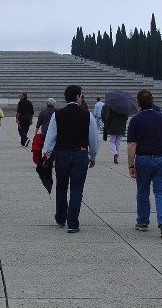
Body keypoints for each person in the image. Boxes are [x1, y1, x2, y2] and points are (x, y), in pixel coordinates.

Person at [43, 85, 99, 233]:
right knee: (77, 188)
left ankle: (61, 217)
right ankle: (73, 222)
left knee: (61, 186)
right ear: (78, 97)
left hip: (62, 154)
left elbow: (51, 136)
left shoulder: (58, 114)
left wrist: (47, 154)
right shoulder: (87, 115)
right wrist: (92, 155)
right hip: (80, 154)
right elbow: (93, 138)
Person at [127, 90, 162, 238]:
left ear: (138, 103)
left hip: (144, 159)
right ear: (152, 102)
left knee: (143, 191)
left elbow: (132, 145)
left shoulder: (135, 120)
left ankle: (142, 221)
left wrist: (131, 165)